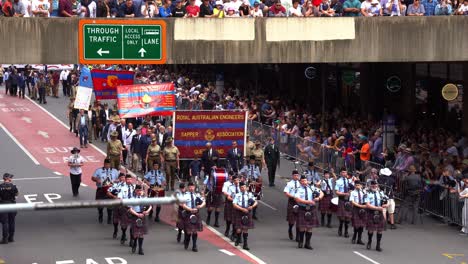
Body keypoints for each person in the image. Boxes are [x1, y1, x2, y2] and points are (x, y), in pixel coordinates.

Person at [294, 175, 323, 250]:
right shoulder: (298, 189)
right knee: (302, 227)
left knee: (310, 227)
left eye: (305, 181)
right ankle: (300, 242)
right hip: (302, 208)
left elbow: (322, 193)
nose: (304, 182)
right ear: (300, 182)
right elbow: (297, 199)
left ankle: (307, 243)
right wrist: (308, 201)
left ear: (307, 181)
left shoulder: (312, 188)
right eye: (302, 181)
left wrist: (318, 198)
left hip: (311, 208)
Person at [92, 159, 119, 224]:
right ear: (104, 164)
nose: (107, 165)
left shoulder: (115, 171)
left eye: (109, 164)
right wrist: (97, 179)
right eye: (106, 164)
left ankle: (109, 217)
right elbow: (93, 177)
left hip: (111, 189)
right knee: (100, 205)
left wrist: (117, 181)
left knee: (110, 206)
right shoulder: (99, 170)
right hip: (101, 189)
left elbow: (118, 179)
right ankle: (100, 214)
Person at [232, 181, 258, 250]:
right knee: (239, 229)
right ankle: (238, 238)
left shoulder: (250, 195)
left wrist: (252, 206)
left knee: (245, 229)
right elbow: (234, 204)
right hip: (239, 212)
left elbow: (255, 202)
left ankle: (245, 244)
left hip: (247, 212)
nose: (242, 188)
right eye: (241, 187)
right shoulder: (237, 195)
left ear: (246, 188)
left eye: (243, 187)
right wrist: (242, 209)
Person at [181, 182, 205, 252]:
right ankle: (187, 240)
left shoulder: (197, 195)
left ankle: (194, 245)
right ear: (188, 187)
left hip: (196, 214)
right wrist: (190, 209)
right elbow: (183, 205)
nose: (191, 188)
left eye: (193, 187)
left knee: (194, 231)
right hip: (188, 214)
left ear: (194, 187)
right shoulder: (185, 195)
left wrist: (200, 206)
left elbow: (204, 202)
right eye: (190, 187)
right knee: (188, 232)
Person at [128, 185, 152, 255]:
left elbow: (150, 206)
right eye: (138, 190)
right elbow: (130, 209)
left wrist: (147, 211)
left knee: (141, 234)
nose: (139, 192)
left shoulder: (145, 198)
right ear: (135, 191)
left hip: (143, 216)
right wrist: (137, 214)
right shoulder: (132, 199)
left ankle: (140, 248)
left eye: (140, 190)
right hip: (135, 215)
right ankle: (135, 243)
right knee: (135, 234)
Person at [365, 180, 387, 252]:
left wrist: (386, 205)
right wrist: (377, 208)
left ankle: (378, 245)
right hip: (371, 212)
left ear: (377, 185)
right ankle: (369, 242)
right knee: (371, 230)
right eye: (373, 185)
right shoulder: (367, 193)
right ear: (370, 186)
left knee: (380, 230)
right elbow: (367, 205)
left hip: (380, 213)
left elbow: (387, 201)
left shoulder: (381, 193)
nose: (374, 186)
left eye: (375, 185)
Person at [106, 173, 128, 242]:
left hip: (124, 206)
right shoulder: (115, 185)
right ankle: (115, 230)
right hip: (116, 205)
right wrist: (113, 196)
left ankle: (124, 235)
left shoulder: (128, 186)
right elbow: (108, 192)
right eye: (121, 177)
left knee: (124, 221)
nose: (123, 179)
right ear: (119, 178)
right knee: (115, 221)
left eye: (124, 177)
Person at [239, 155, 262, 219]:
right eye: (251, 160)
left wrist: (260, 182)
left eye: (253, 160)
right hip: (248, 183)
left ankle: (254, 214)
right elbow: (240, 173)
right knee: (248, 198)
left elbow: (259, 176)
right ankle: (247, 212)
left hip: (254, 183)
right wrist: (244, 177)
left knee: (255, 198)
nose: (252, 161)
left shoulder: (256, 167)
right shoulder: (246, 167)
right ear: (250, 161)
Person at [0, 173, 18, 244]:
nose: (11, 179)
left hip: (3, 205)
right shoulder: (14, 186)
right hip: (12, 204)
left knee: (5, 222)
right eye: (10, 177)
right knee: (12, 221)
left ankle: (5, 239)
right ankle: (11, 238)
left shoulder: (0, 186)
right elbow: (16, 194)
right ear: (7, 178)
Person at [335, 168, 353, 237]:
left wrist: (351, 191)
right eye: (342, 172)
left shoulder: (349, 181)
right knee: (342, 217)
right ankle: (340, 227)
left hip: (348, 200)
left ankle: (346, 231)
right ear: (340, 173)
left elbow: (353, 188)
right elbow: (337, 192)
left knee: (347, 217)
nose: (344, 174)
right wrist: (344, 194)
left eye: (345, 172)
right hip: (342, 199)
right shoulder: (338, 181)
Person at [284, 170, 300, 241]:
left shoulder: (300, 183)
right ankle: (290, 229)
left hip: (299, 202)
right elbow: (286, 193)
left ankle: (298, 236)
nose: (296, 177)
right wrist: (293, 197)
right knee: (292, 220)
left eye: (297, 175)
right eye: (295, 175)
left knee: (299, 219)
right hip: (292, 201)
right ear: (292, 176)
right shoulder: (289, 184)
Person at [349, 180, 367, 245]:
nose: (357, 186)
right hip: (356, 208)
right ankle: (354, 237)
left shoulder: (364, 192)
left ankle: (359, 239)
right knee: (356, 225)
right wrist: (359, 205)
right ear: (354, 186)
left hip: (363, 208)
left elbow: (366, 200)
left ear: (361, 185)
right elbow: (352, 201)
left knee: (361, 225)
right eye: (356, 185)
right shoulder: (353, 192)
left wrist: (365, 205)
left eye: (359, 185)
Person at [223, 174, 238, 239]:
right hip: (231, 203)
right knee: (229, 218)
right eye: (235, 180)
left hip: (238, 205)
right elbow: (227, 195)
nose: (237, 181)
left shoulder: (242, 187)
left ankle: (234, 233)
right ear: (233, 180)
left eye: (238, 180)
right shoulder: (229, 186)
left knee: (236, 219)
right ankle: (227, 229)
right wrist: (234, 200)